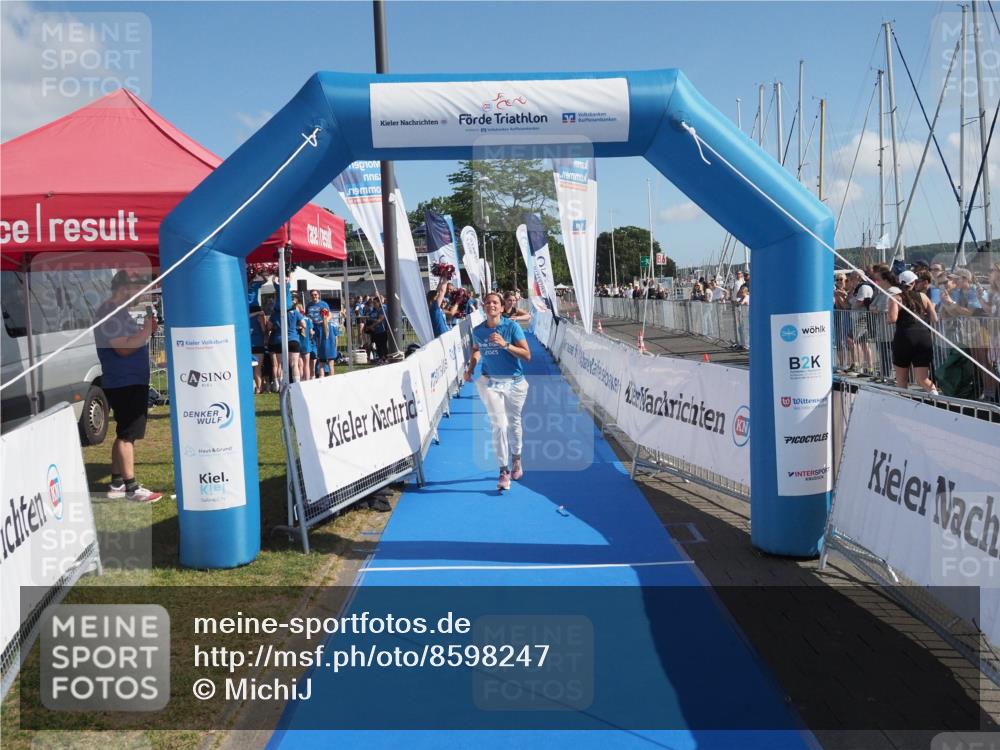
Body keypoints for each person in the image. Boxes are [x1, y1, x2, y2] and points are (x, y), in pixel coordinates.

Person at [94, 271, 162, 503]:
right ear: (125, 288)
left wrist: (144, 329)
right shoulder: (109, 312)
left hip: (128, 380)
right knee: (127, 435)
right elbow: (122, 348)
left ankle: (117, 482)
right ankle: (132, 487)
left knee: (124, 433)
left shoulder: (117, 311)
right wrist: (146, 331)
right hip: (124, 381)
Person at [464, 291, 532, 491]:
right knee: (499, 425)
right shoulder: (478, 330)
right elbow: (476, 349)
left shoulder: (511, 327)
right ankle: (503, 470)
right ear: (483, 307)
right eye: (487, 303)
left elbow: (527, 355)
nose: (491, 305)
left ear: (502, 308)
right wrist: (470, 368)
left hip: (514, 383)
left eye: (495, 302)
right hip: (490, 381)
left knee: (514, 423)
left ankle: (516, 458)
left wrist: (505, 344)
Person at [888, 269, 939, 393]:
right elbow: (934, 318)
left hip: (904, 337)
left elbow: (892, 319)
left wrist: (888, 314)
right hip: (922, 336)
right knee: (923, 379)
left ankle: (903, 406)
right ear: (914, 283)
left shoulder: (896, 298)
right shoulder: (923, 296)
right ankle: (938, 399)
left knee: (902, 380)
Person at [306, 290, 336, 377]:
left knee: (324, 348)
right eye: (312, 295)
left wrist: (325, 322)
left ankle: (324, 369)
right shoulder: (308, 305)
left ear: (318, 295)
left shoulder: (323, 304)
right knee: (315, 348)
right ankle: (315, 371)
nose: (314, 296)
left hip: (322, 327)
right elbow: (307, 316)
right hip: (313, 328)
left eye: (315, 294)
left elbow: (330, 315)